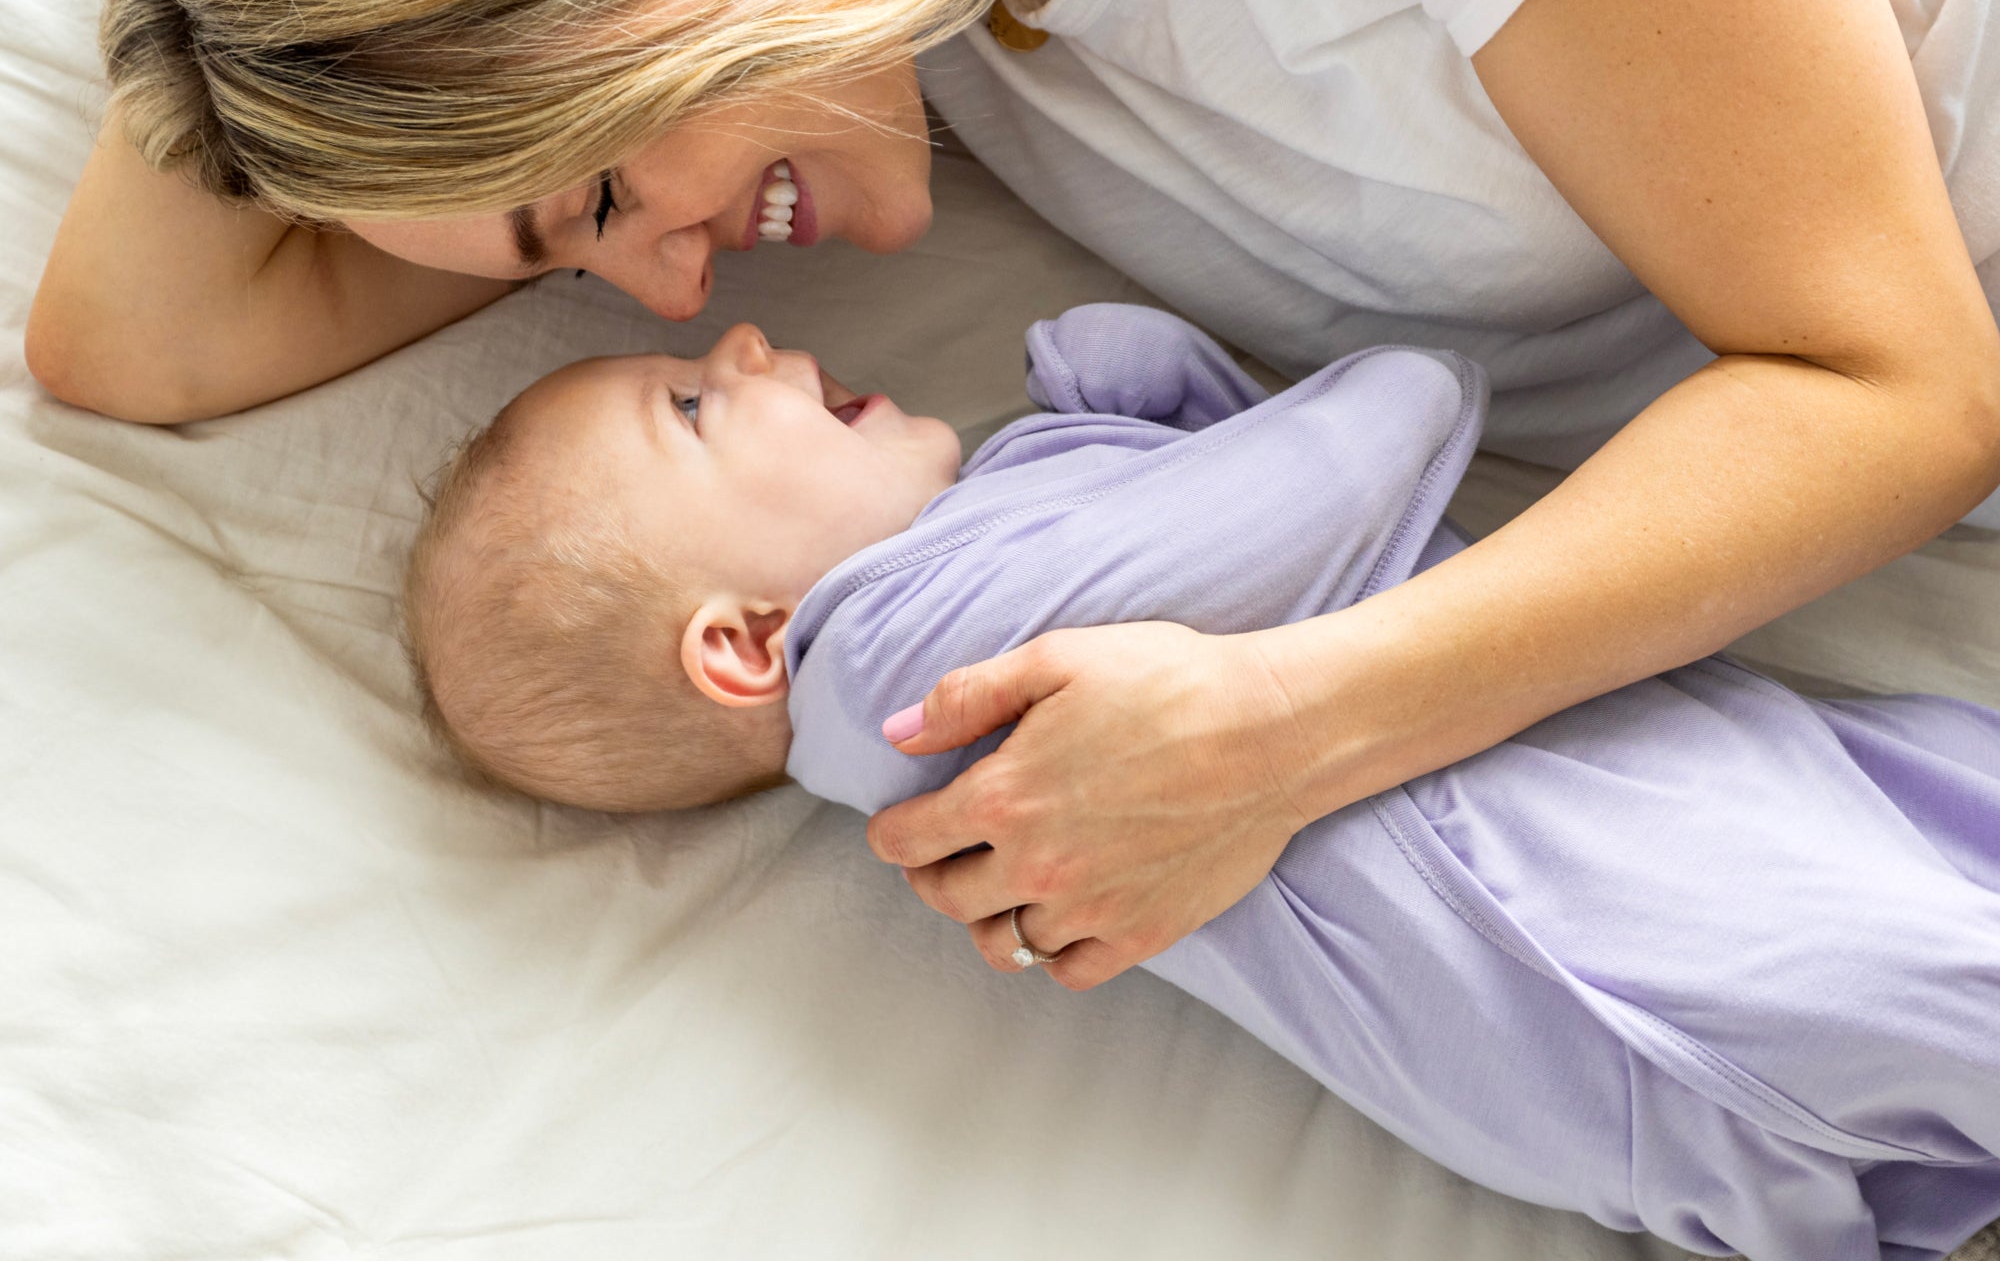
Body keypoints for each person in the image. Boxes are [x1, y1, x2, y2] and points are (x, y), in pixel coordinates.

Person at [27, 0, 2000, 992]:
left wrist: (1287, 725)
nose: (665, 283)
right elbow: (141, 341)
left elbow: (1900, 385)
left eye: (608, 183)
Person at [403, 305, 2000, 1261]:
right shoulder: (911, 661)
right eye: (692, 405)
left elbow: (1237, 531)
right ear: (746, 649)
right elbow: (1367, 446)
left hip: (1621, 828)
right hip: (1606, 934)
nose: (744, 343)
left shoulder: (967, 600)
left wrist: (1116, 413)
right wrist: (1361, 380)